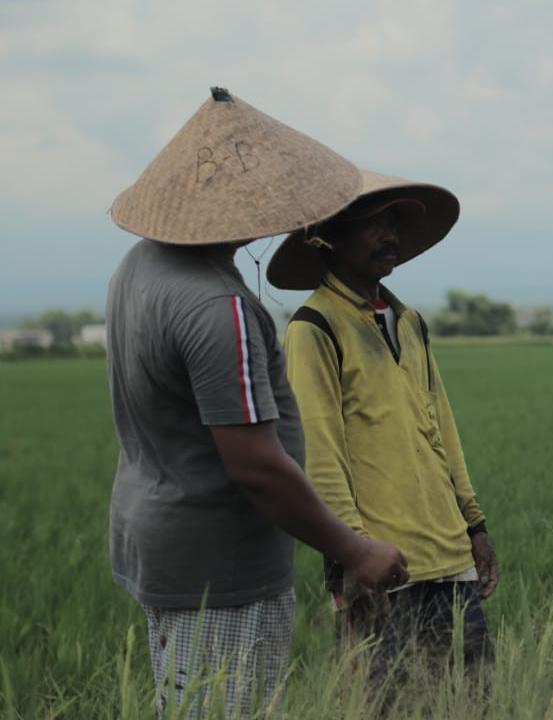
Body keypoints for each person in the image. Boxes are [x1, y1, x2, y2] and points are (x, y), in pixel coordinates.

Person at [106, 88, 407, 717]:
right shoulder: (220, 308)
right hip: (222, 569)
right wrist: (354, 550)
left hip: (161, 543)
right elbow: (255, 466)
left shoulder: (138, 267)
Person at [267, 169, 496, 686]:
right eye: (374, 224)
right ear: (330, 238)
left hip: (449, 554)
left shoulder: (409, 321)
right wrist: (352, 553)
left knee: (473, 698)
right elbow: (320, 455)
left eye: (395, 224)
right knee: (390, 703)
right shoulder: (315, 327)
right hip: (380, 566)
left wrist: (475, 527)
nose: (390, 236)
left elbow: (444, 431)